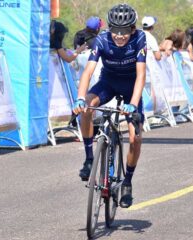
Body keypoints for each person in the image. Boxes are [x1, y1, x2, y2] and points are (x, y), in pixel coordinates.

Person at [72, 3, 146, 208]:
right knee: (86, 107)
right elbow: (87, 72)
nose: (120, 36)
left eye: (125, 31)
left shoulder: (140, 38)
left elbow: (141, 75)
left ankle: (128, 183)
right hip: (109, 82)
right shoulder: (102, 39)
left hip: (132, 87)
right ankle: (89, 158)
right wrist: (80, 98)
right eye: (116, 30)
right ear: (109, 28)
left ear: (133, 29)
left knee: (135, 137)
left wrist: (132, 104)